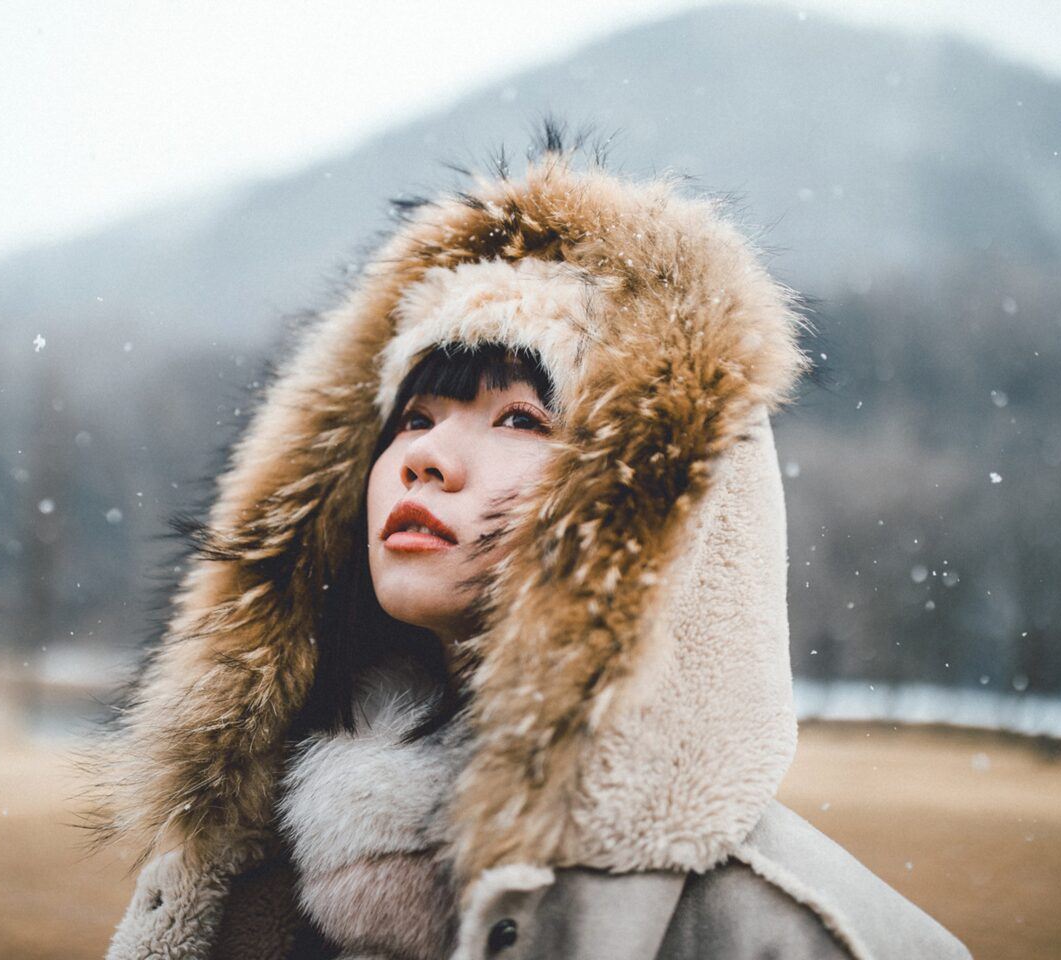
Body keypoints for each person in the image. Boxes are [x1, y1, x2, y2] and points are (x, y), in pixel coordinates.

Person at [85, 123, 973, 960]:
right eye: (414, 417)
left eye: (518, 417)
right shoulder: (245, 873)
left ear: (649, 504)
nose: (427, 458)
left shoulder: (785, 928)